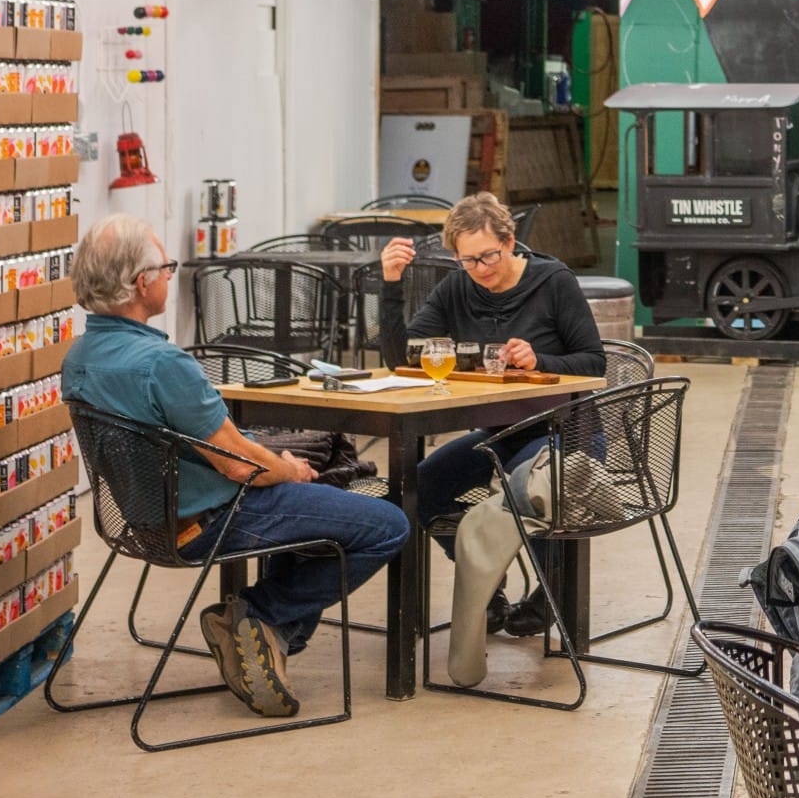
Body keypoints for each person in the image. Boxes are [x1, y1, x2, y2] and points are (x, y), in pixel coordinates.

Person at [64, 215, 408, 719]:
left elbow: (213, 446)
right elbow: (238, 464)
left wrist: (280, 466)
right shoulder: (162, 364)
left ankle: (267, 636)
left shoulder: (80, 356)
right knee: (386, 524)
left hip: (146, 522)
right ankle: (260, 617)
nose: (168, 275)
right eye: (165, 267)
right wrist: (289, 470)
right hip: (214, 519)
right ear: (141, 284)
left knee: (318, 510)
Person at [379, 193, 604, 637]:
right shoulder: (457, 288)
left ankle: (552, 590)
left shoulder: (554, 280)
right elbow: (398, 359)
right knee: (418, 488)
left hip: (567, 431)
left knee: (525, 485)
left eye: (489, 256)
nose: (481, 269)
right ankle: (490, 587)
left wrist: (540, 360)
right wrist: (390, 286)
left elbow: (594, 362)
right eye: (468, 261)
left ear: (511, 240)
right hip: (501, 434)